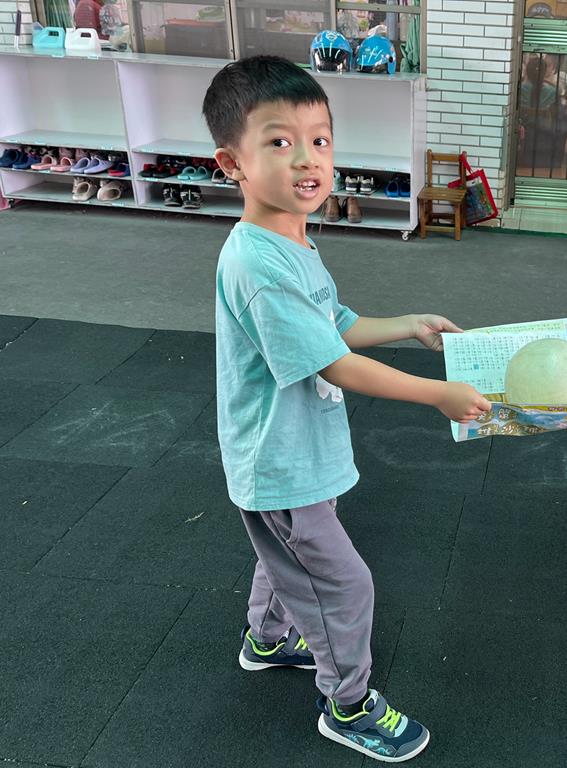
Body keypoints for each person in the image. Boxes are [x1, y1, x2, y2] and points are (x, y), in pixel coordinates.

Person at [201, 55, 491, 761]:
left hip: (301, 449)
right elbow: (333, 362)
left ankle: (267, 640)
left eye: (320, 140)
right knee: (344, 586)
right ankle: (349, 704)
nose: (307, 159)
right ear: (232, 164)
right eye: (279, 141)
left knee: (289, 556)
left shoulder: (291, 238)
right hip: (281, 461)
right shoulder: (259, 264)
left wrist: (409, 324)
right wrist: (437, 393)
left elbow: (336, 324)